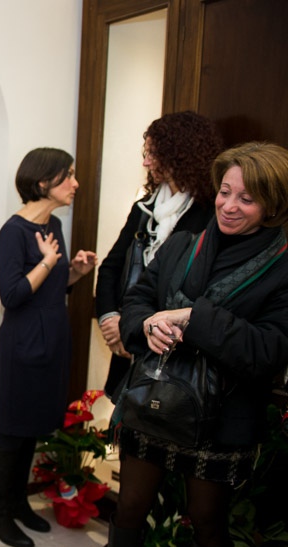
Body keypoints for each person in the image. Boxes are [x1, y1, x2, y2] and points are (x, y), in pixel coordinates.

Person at [79, 142, 288, 547]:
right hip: (155, 401)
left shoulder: (282, 266)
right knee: (129, 506)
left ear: (273, 204)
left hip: (222, 419)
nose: (229, 206)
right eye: (225, 192)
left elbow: (269, 351)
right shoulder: (185, 243)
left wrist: (194, 319)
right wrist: (146, 324)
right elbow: (138, 297)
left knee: (207, 523)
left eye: (247, 198)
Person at [0, 148, 98, 547]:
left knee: (33, 428)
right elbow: (13, 295)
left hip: (53, 336)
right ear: (42, 182)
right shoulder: (13, 232)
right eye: (67, 175)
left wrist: (74, 272)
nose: (75, 183)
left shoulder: (54, 225)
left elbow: (48, 288)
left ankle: (18, 503)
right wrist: (49, 262)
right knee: (12, 431)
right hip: (22, 342)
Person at [96, 112, 223, 399]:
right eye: (147, 154)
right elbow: (110, 268)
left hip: (176, 352)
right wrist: (111, 319)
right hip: (128, 340)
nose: (146, 162)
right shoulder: (144, 209)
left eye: (154, 154)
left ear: (180, 153)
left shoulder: (210, 214)